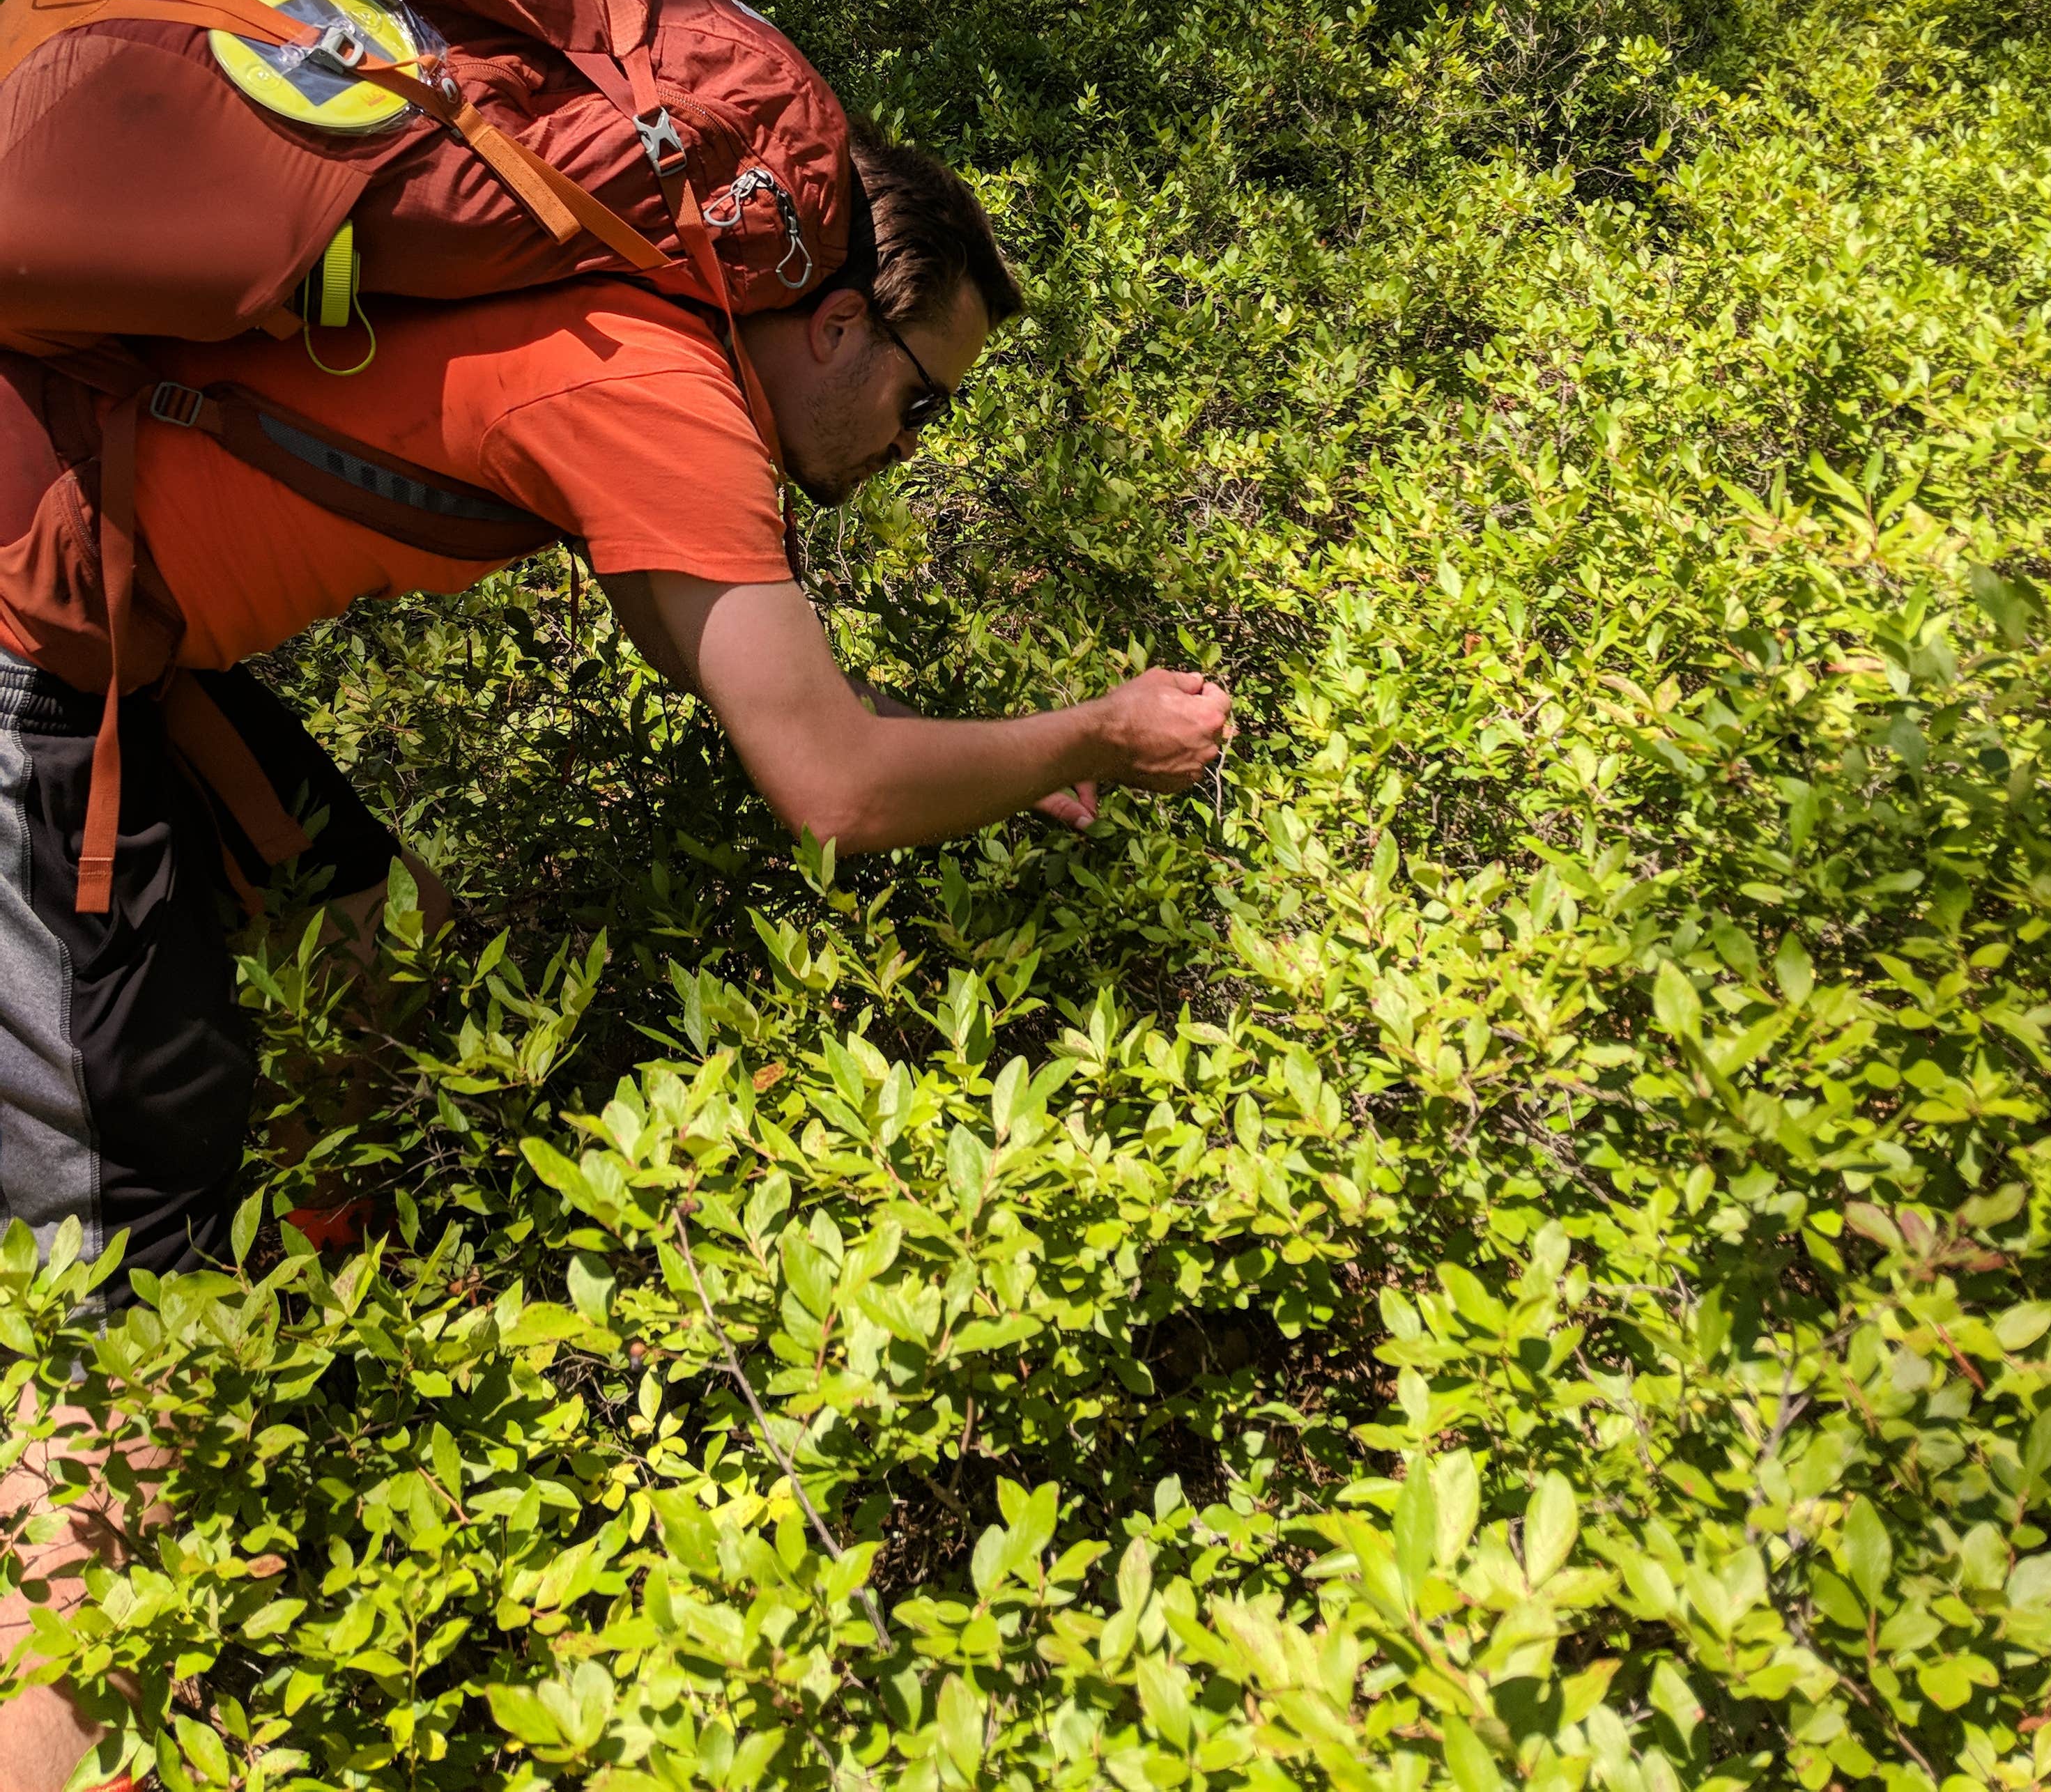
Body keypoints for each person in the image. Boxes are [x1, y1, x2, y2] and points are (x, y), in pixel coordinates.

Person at [0, 116, 1233, 1791]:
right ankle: (107, 1616)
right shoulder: (655, 390)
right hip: (33, 652)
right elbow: (832, 784)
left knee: (380, 941)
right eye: (922, 398)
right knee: (109, 1328)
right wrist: (1085, 733)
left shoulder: (626, 329)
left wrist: (1009, 764)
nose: (915, 443)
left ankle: (296, 1321)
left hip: (112, 613)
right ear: (841, 322)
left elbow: (710, 658)